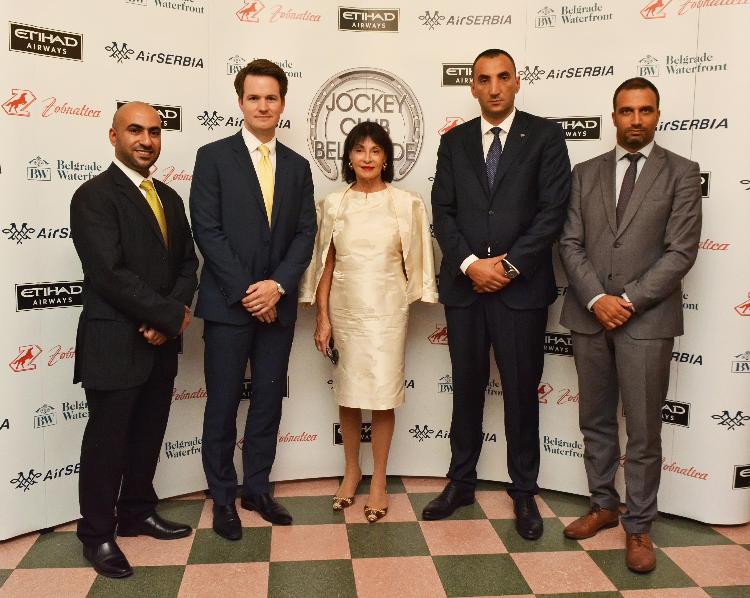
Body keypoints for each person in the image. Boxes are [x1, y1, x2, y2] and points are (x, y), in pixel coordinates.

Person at [426, 48, 571, 540]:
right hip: (466, 289)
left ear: (516, 82)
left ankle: (524, 491)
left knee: (521, 393)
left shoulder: (545, 136)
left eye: (502, 77)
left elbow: (553, 212)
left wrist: (507, 267)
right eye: (484, 79)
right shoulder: (454, 142)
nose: (493, 87)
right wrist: (471, 265)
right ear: (472, 86)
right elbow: (443, 212)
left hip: (520, 291)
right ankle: (460, 482)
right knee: (466, 388)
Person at [559, 77, 702, 573]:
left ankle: (638, 526)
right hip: (590, 317)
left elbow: (681, 250)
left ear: (657, 114)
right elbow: (570, 242)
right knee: (595, 420)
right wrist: (598, 299)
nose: (635, 119)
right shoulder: (584, 173)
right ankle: (603, 505)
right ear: (613, 116)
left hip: (647, 321)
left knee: (642, 431)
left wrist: (627, 301)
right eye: (626, 111)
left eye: (645, 110)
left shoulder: (682, 173)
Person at [70, 102, 198, 578]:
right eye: (135, 131)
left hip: (159, 343)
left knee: (147, 436)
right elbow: (108, 272)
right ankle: (97, 535)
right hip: (114, 343)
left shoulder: (170, 198)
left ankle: (138, 511)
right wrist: (165, 315)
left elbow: (187, 264)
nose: (147, 140)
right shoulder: (93, 196)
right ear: (114, 136)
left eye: (155, 132)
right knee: (107, 445)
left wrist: (169, 320)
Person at [190, 59, 316, 540]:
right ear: (240, 102)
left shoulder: (298, 167)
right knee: (222, 404)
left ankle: (257, 489)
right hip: (229, 306)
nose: (263, 106)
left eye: (271, 98)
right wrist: (249, 291)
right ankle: (223, 497)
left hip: (276, 307)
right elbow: (207, 229)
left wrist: (276, 287)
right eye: (254, 97)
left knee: (267, 401)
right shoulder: (212, 157)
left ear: (282, 103)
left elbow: (305, 233)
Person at [300, 121, 437, 522]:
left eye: (375, 150)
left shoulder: (406, 203)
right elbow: (325, 265)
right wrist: (323, 317)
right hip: (344, 311)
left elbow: (416, 262)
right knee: (348, 394)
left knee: (382, 396)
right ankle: (351, 471)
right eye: (359, 150)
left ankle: (378, 480)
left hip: (388, 313)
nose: (367, 158)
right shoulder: (332, 204)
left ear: (386, 159)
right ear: (348, 157)